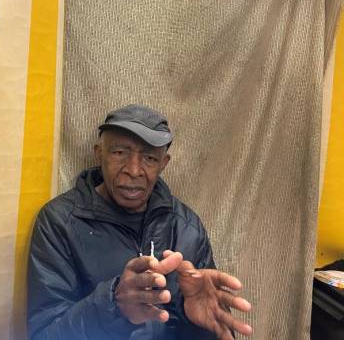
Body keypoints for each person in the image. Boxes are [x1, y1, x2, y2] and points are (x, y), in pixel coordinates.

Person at [27, 105, 253, 340]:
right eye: (119, 153)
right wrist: (114, 305)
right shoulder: (59, 222)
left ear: (163, 163)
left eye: (149, 158)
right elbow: (44, 333)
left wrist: (195, 323)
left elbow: (214, 326)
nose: (134, 170)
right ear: (98, 154)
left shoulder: (187, 228)